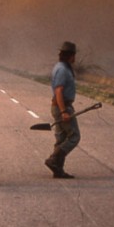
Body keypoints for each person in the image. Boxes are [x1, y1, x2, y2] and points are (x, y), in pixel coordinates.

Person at [45, 41, 80, 179]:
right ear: (69, 55)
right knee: (74, 136)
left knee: (61, 138)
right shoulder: (63, 70)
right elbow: (59, 91)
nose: (74, 58)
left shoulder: (62, 67)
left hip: (60, 106)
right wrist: (64, 111)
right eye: (73, 55)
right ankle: (54, 160)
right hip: (62, 106)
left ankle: (58, 169)